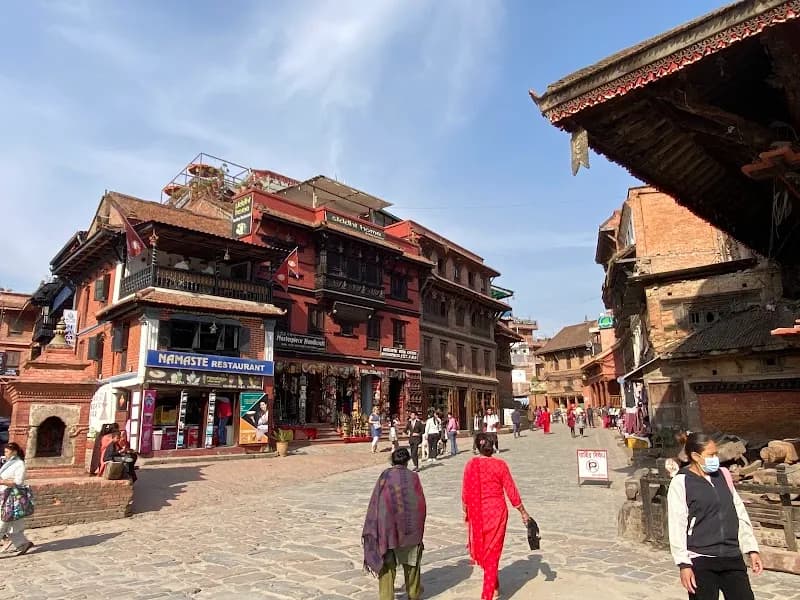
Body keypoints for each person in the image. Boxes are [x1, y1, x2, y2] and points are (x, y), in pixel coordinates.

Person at [667, 432, 762, 600]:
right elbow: (677, 523)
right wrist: (683, 564)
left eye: (716, 453)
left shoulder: (723, 476)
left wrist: (751, 549)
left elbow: (739, 512)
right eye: (711, 455)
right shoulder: (681, 482)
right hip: (701, 559)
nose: (715, 458)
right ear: (696, 456)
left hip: (731, 555)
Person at [462, 433, 531, 600]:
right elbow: (511, 490)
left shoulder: (471, 465)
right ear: (492, 446)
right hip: (497, 512)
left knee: (486, 551)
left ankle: (488, 593)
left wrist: (466, 511)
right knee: (492, 552)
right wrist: (523, 511)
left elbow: (465, 493)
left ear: (477, 447)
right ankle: (491, 590)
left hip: (477, 512)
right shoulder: (500, 465)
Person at [362, 448, 427, 600]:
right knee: (412, 564)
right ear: (407, 460)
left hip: (388, 530)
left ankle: (386, 597)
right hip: (410, 531)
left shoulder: (386, 476)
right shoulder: (414, 477)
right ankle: (414, 593)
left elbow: (376, 501)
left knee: (386, 568)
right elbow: (420, 504)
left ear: (392, 460)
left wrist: (374, 526)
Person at [0, 443, 34, 556]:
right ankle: (23, 544)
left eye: (7, 452)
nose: (5, 454)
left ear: (14, 452)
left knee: (2, 523)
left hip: (11, 498)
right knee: (14, 525)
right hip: (4, 495)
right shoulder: (7, 463)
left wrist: (3, 481)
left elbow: (18, 482)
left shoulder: (19, 464)